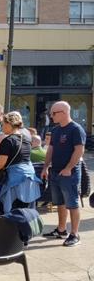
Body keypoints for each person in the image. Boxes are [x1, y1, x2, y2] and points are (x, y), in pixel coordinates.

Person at [41, 101, 86, 246]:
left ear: (64, 112)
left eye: (53, 113)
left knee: (72, 203)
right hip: (55, 171)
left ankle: (75, 234)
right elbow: (50, 150)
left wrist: (68, 168)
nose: (51, 116)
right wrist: (45, 167)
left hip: (70, 173)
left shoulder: (76, 129)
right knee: (59, 202)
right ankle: (61, 230)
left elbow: (79, 151)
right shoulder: (55, 130)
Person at [0, 111, 40, 212]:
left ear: (9, 124)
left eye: (3, 124)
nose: (1, 127)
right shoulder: (27, 139)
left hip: (16, 180)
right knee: (27, 210)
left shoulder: (7, 140)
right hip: (29, 177)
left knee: (14, 211)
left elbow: (1, 162)